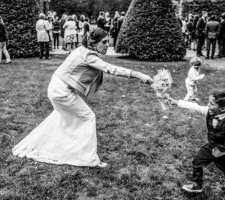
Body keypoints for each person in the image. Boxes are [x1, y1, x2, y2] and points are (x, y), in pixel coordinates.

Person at [12, 28, 153, 167]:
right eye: (104, 42)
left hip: (55, 86)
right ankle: (88, 158)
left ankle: (66, 145)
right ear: (94, 42)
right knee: (88, 117)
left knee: (64, 118)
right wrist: (139, 75)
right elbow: (111, 69)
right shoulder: (89, 56)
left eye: (108, 42)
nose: (107, 45)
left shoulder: (82, 50)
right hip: (61, 91)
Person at [167, 90, 225, 193]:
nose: (208, 105)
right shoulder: (208, 111)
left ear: (223, 108)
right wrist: (176, 102)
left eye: (211, 104)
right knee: (197, 161)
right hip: (212, 145)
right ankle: (197, 185)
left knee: (223, 166)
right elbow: (194, 106)